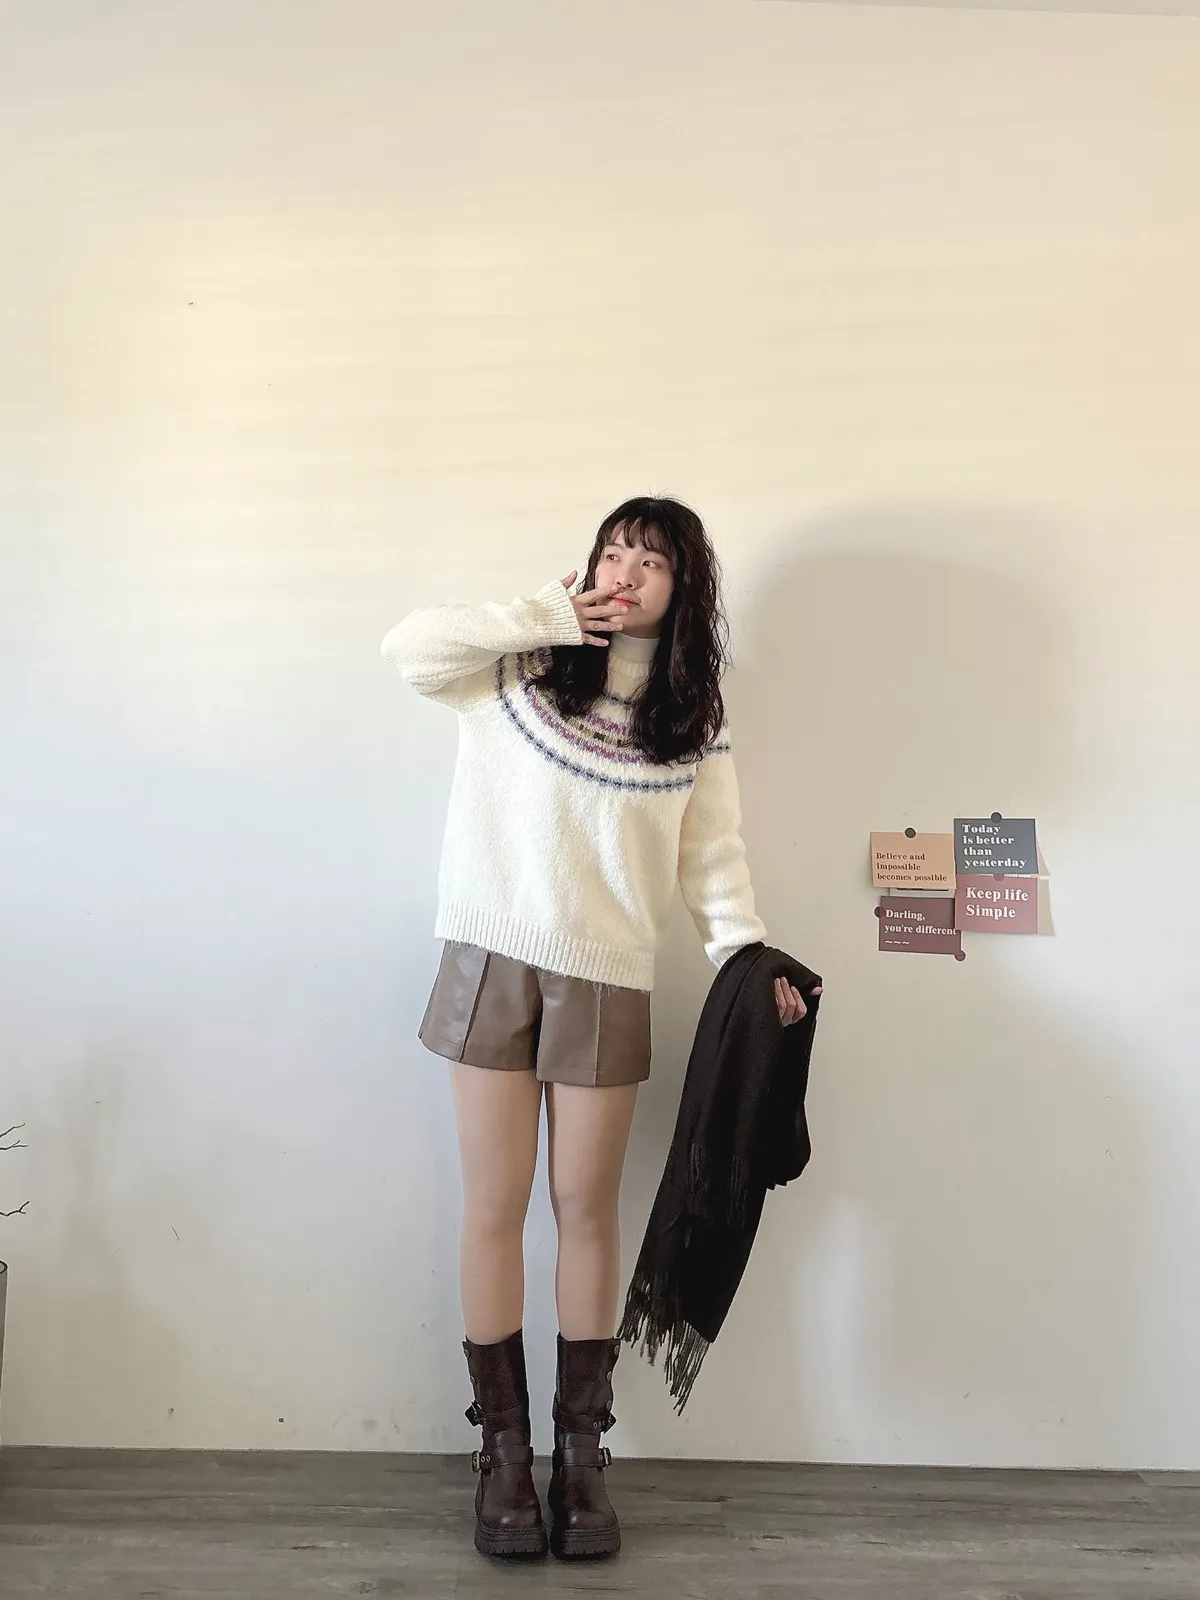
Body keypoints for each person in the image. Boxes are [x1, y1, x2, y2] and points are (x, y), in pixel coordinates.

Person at [380, 496, 818, 1561]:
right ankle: (502, 1454)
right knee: (494, 1206)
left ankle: (581, 1458)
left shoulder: (691, 712)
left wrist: (749, 960)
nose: (625, 571)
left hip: (608, 976)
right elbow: (408, 650)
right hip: (491, 959)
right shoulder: (520, 664)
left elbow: (711, 856)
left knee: (585, 1212)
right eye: (612, 551)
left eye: (650, 560)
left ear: (683, 587)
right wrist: (545, 614)